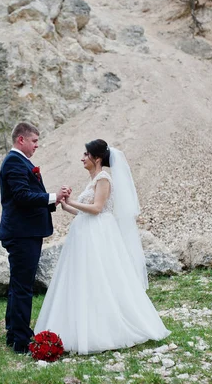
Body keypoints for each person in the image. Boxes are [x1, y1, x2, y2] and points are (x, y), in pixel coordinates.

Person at [34, 139, 170, 355]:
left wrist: (73, 203)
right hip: (85, 233)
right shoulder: (93, 180)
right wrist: (66, 203)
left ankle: (109, 328)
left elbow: (97, 208)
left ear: (97, 158)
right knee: (84, 279)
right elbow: (83, 211)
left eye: (86, 154)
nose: (82, 158)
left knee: (102, 277)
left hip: (98, 234)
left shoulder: (104, 178)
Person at [0, 122, 70, 354]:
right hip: (22, 233)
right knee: (22, 287)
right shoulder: (14, 162)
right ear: (21, 140)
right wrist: (52, 196)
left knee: (18, 284)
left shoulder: (20, 162)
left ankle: (13, 332)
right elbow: (21, 196)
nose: (37, 145)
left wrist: (53, 199)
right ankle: (21, 340)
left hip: (24, 232)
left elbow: (28, 195)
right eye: (34, 141)